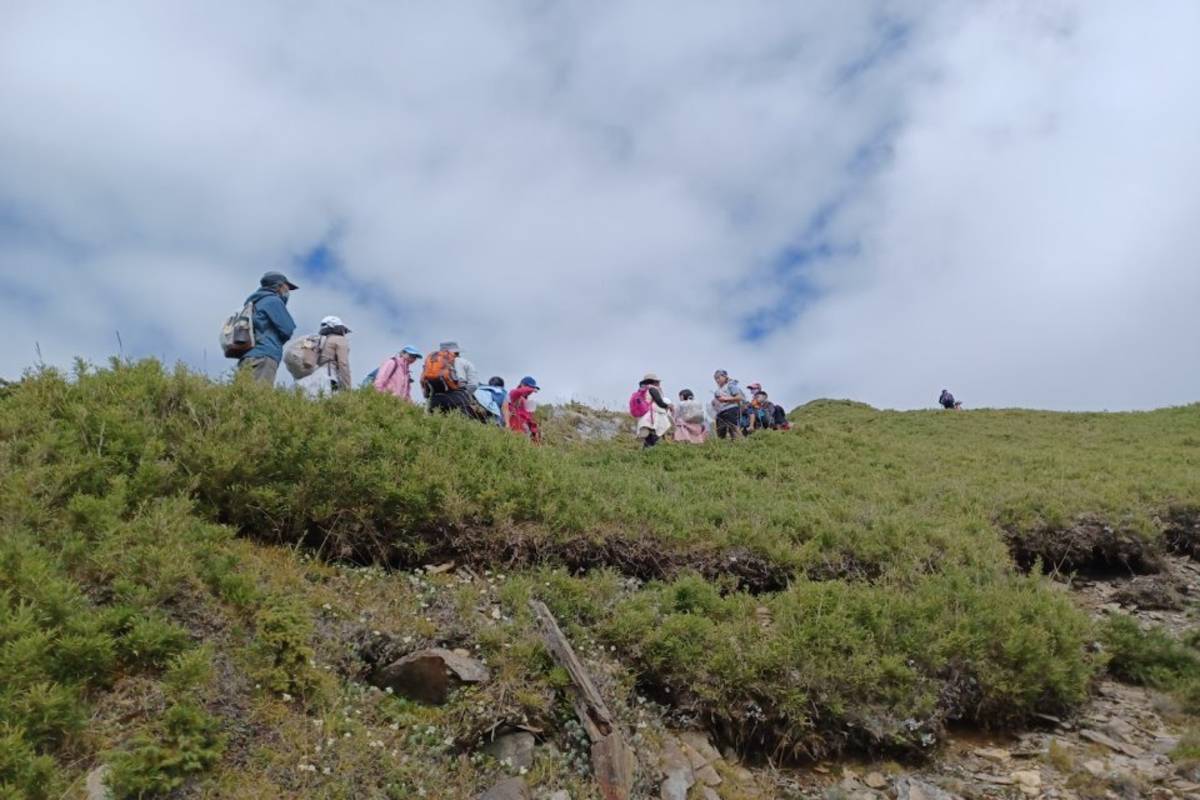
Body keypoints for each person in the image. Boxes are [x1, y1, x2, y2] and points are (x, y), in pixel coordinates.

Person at [239, 271, 298, 384]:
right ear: (279, 286)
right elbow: (288, 329)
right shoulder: (273, 301)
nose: (288, 291)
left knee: (244, 393)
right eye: (287, 287)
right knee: (260, 394)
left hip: (247, 355)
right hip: (264, 354)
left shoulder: (254, 302)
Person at [421, 341, 485, 419]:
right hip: (458, 397)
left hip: (435, 399)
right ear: (456, 351)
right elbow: (473, 385)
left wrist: (429, 396)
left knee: (435, 425)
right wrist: (466, 395)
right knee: (464, 424)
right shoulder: (463, 362)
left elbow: (423, 382)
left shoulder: (431, 361)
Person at [299, 315, 352, 395]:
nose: (344, 333)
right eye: (343, 330)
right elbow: (343, 364)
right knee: (332, 401)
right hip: (331, 377)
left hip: (316, 376)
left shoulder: (321, 341)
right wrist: (348, 389)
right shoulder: (340, 340)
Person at [633, 373, 672, 448]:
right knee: (657, 430)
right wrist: (668, 406)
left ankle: (646, 450)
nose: (659, 383)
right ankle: (649, 449)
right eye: (657, 381)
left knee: (650, 434)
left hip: (645, 414)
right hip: (653, 413)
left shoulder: (642, 390)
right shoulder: (652, 389)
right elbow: (659, 401)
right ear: (653, 382)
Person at [711, 369, 747, 439]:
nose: (717, 380)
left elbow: (740, 397)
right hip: (720, 412)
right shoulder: (718, 390)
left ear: (725, 377)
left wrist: (726, 399)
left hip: (731, 409)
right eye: (715, 378)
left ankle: (740, 445)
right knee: (720, 431)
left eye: (719, 377)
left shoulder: (730, 386)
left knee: (733, 429)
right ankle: (723, 446)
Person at [507, 376, 541, 442]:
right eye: (528, 386)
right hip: (516, 429)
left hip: (525, 431)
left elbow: (529, 419)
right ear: (522, 385)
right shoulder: (514, 394)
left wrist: (534, 430)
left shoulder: (526, 401)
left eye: (532, 387)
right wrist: (531, 389)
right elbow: (518, 391)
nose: (530, 391)